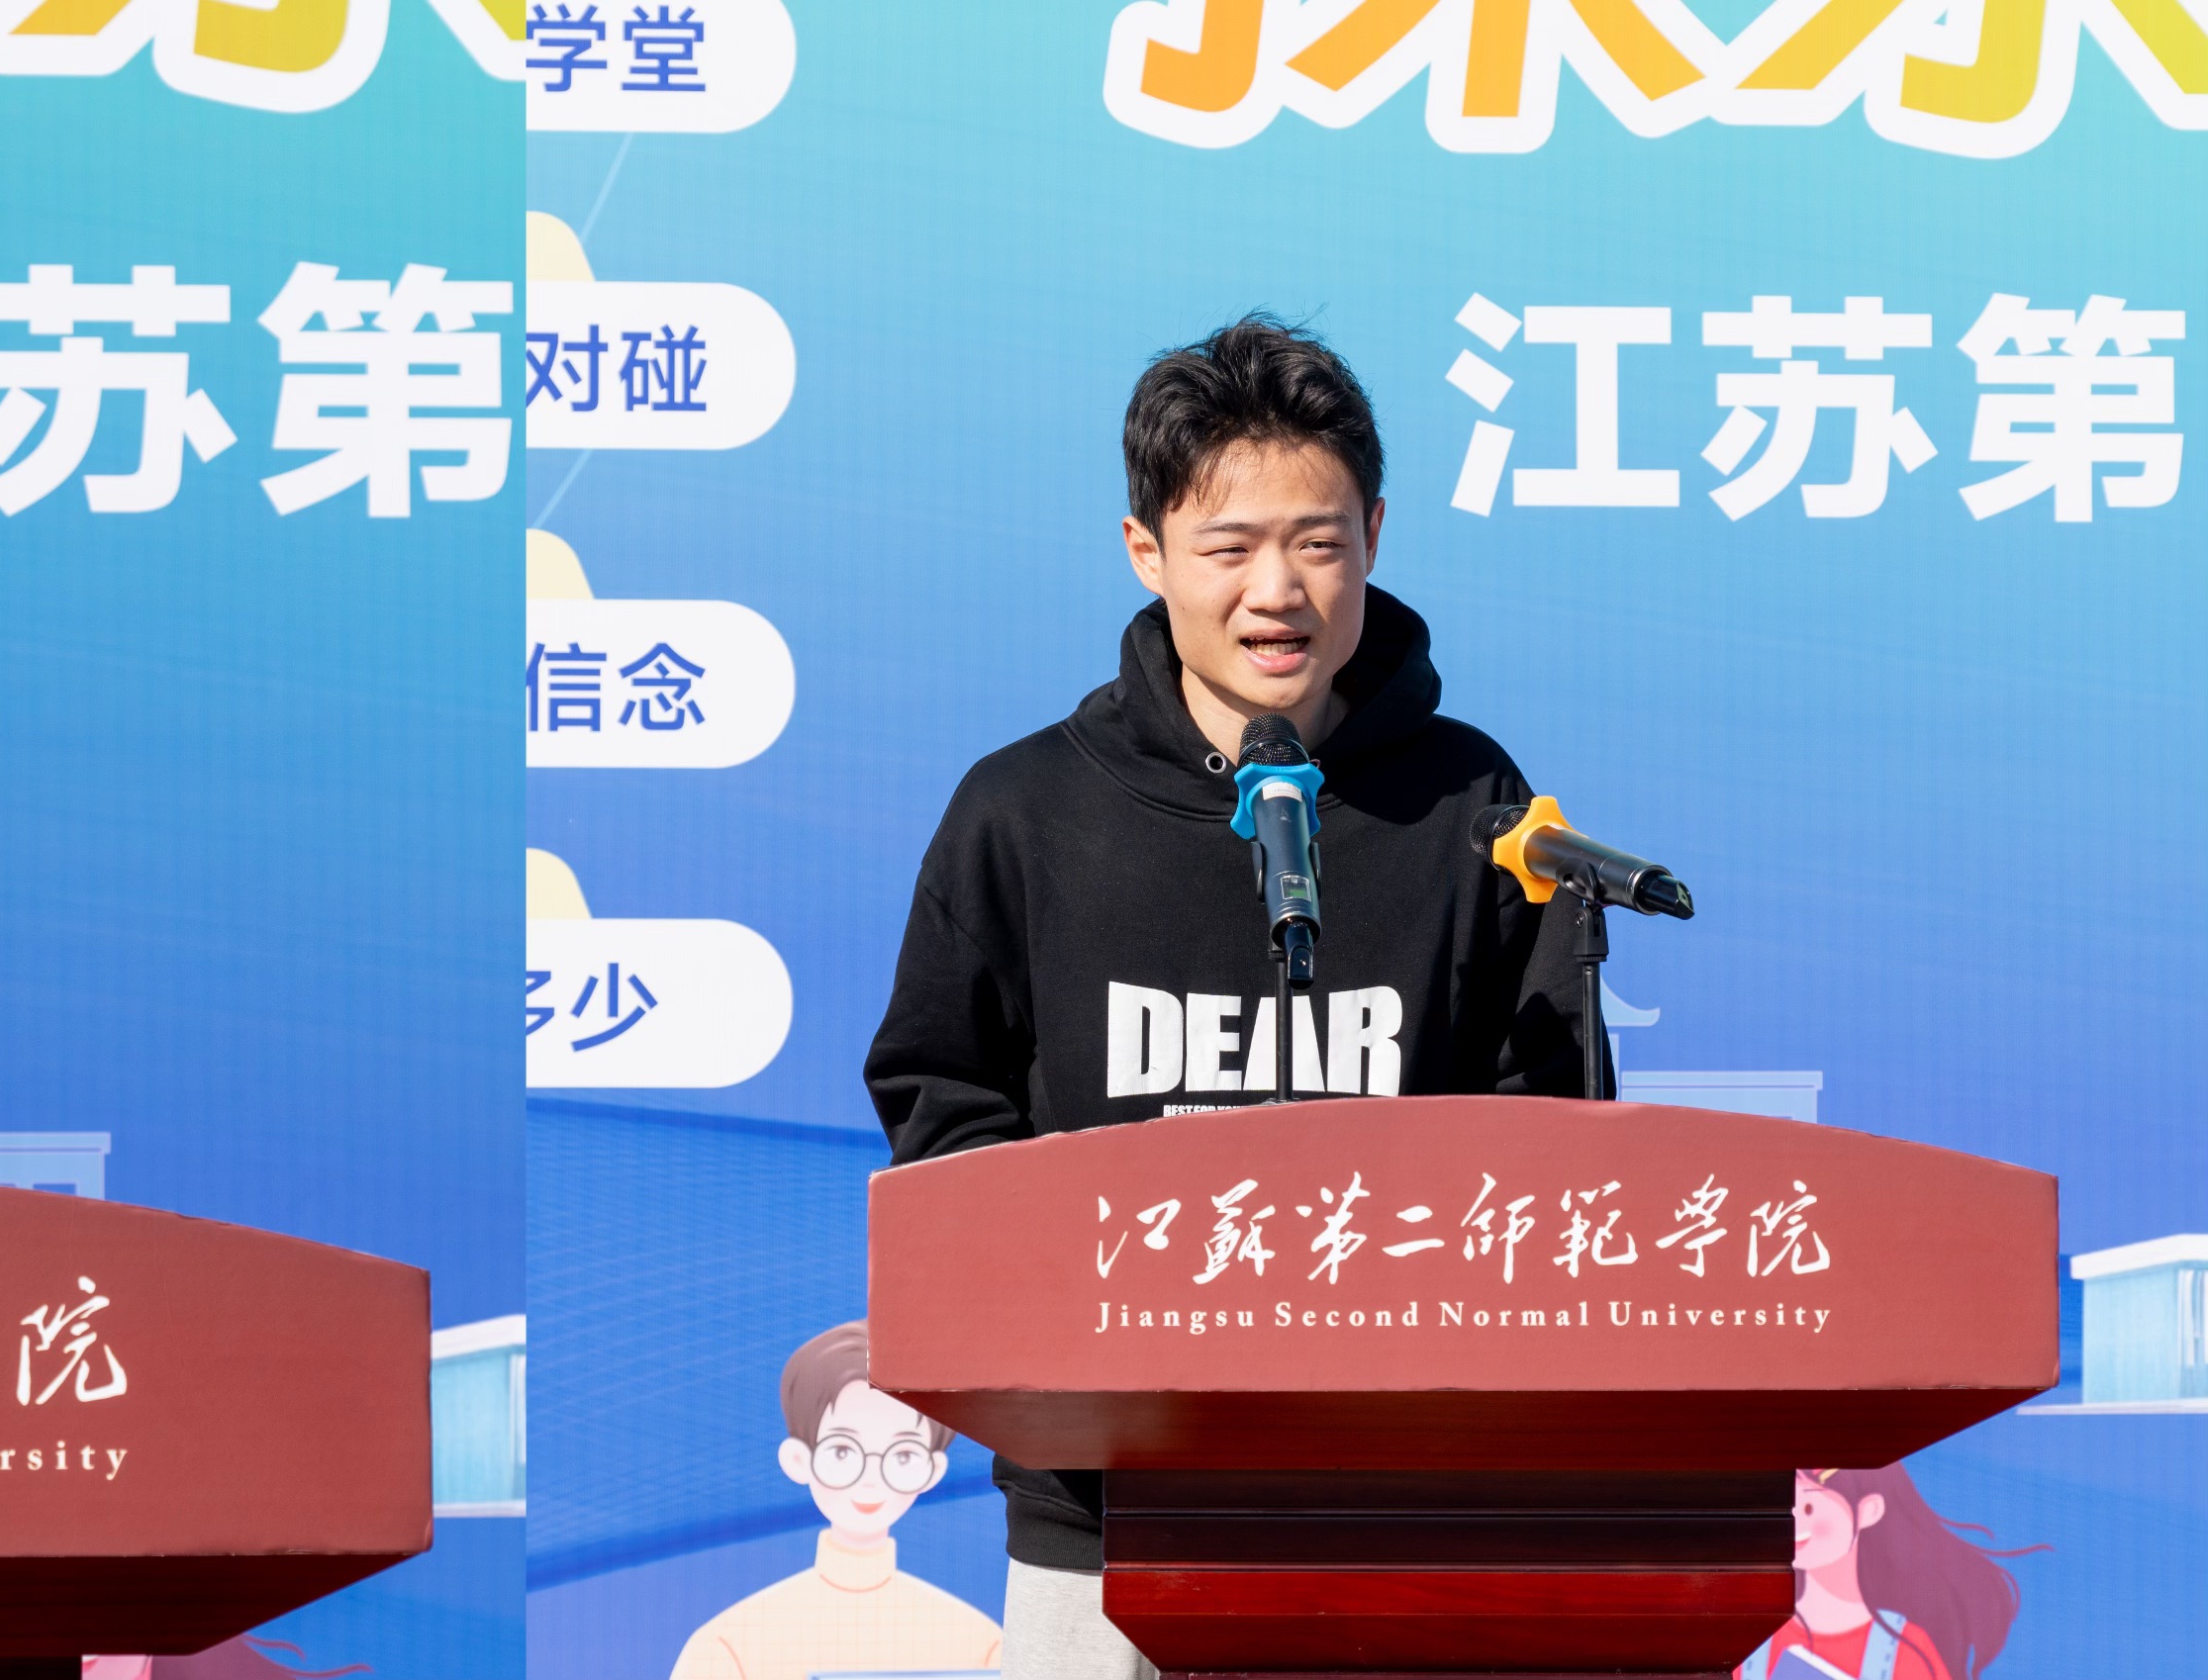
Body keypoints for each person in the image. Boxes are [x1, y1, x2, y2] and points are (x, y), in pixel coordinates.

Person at [861, 316, 1590, 1680]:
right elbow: (942, 1096)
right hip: (1100, 1509)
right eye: (1230, 547)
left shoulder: (1470, 801)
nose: (1279, 591)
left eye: (1318, 543)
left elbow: (1544, 1120)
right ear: (1145, 551)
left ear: (1375, 536)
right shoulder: (1025, 811)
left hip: (1395, 1502)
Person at [669, 1322, 1004, 1680]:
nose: (871, 1478)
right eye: (843, 1451)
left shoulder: (982, 1647)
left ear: (932, 1470)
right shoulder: (727, 1647)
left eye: (903, 1455)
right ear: (798, 1460)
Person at [1743, 1464, 2038, 1680]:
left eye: (1808, 1507)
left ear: (1868, 1511)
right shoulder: (1749, 1639)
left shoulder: (1904, 1651)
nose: (1795, 1524)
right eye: (1786, 1507)